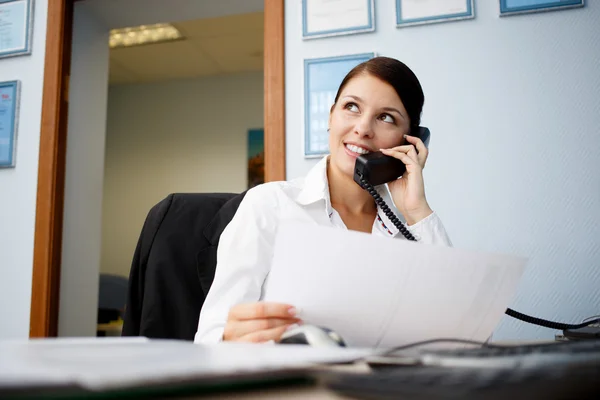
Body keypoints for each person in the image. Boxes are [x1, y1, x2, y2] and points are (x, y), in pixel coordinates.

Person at [194, 56, 452, 344]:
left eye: (385, 117)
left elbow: (464, 337)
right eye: (351, 107)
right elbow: (210, 338)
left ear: (409, 141)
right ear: (331, 116)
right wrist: (232, 342)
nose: (363, 128)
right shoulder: (270, 205)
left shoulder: (409, 232)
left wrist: (418, 211)